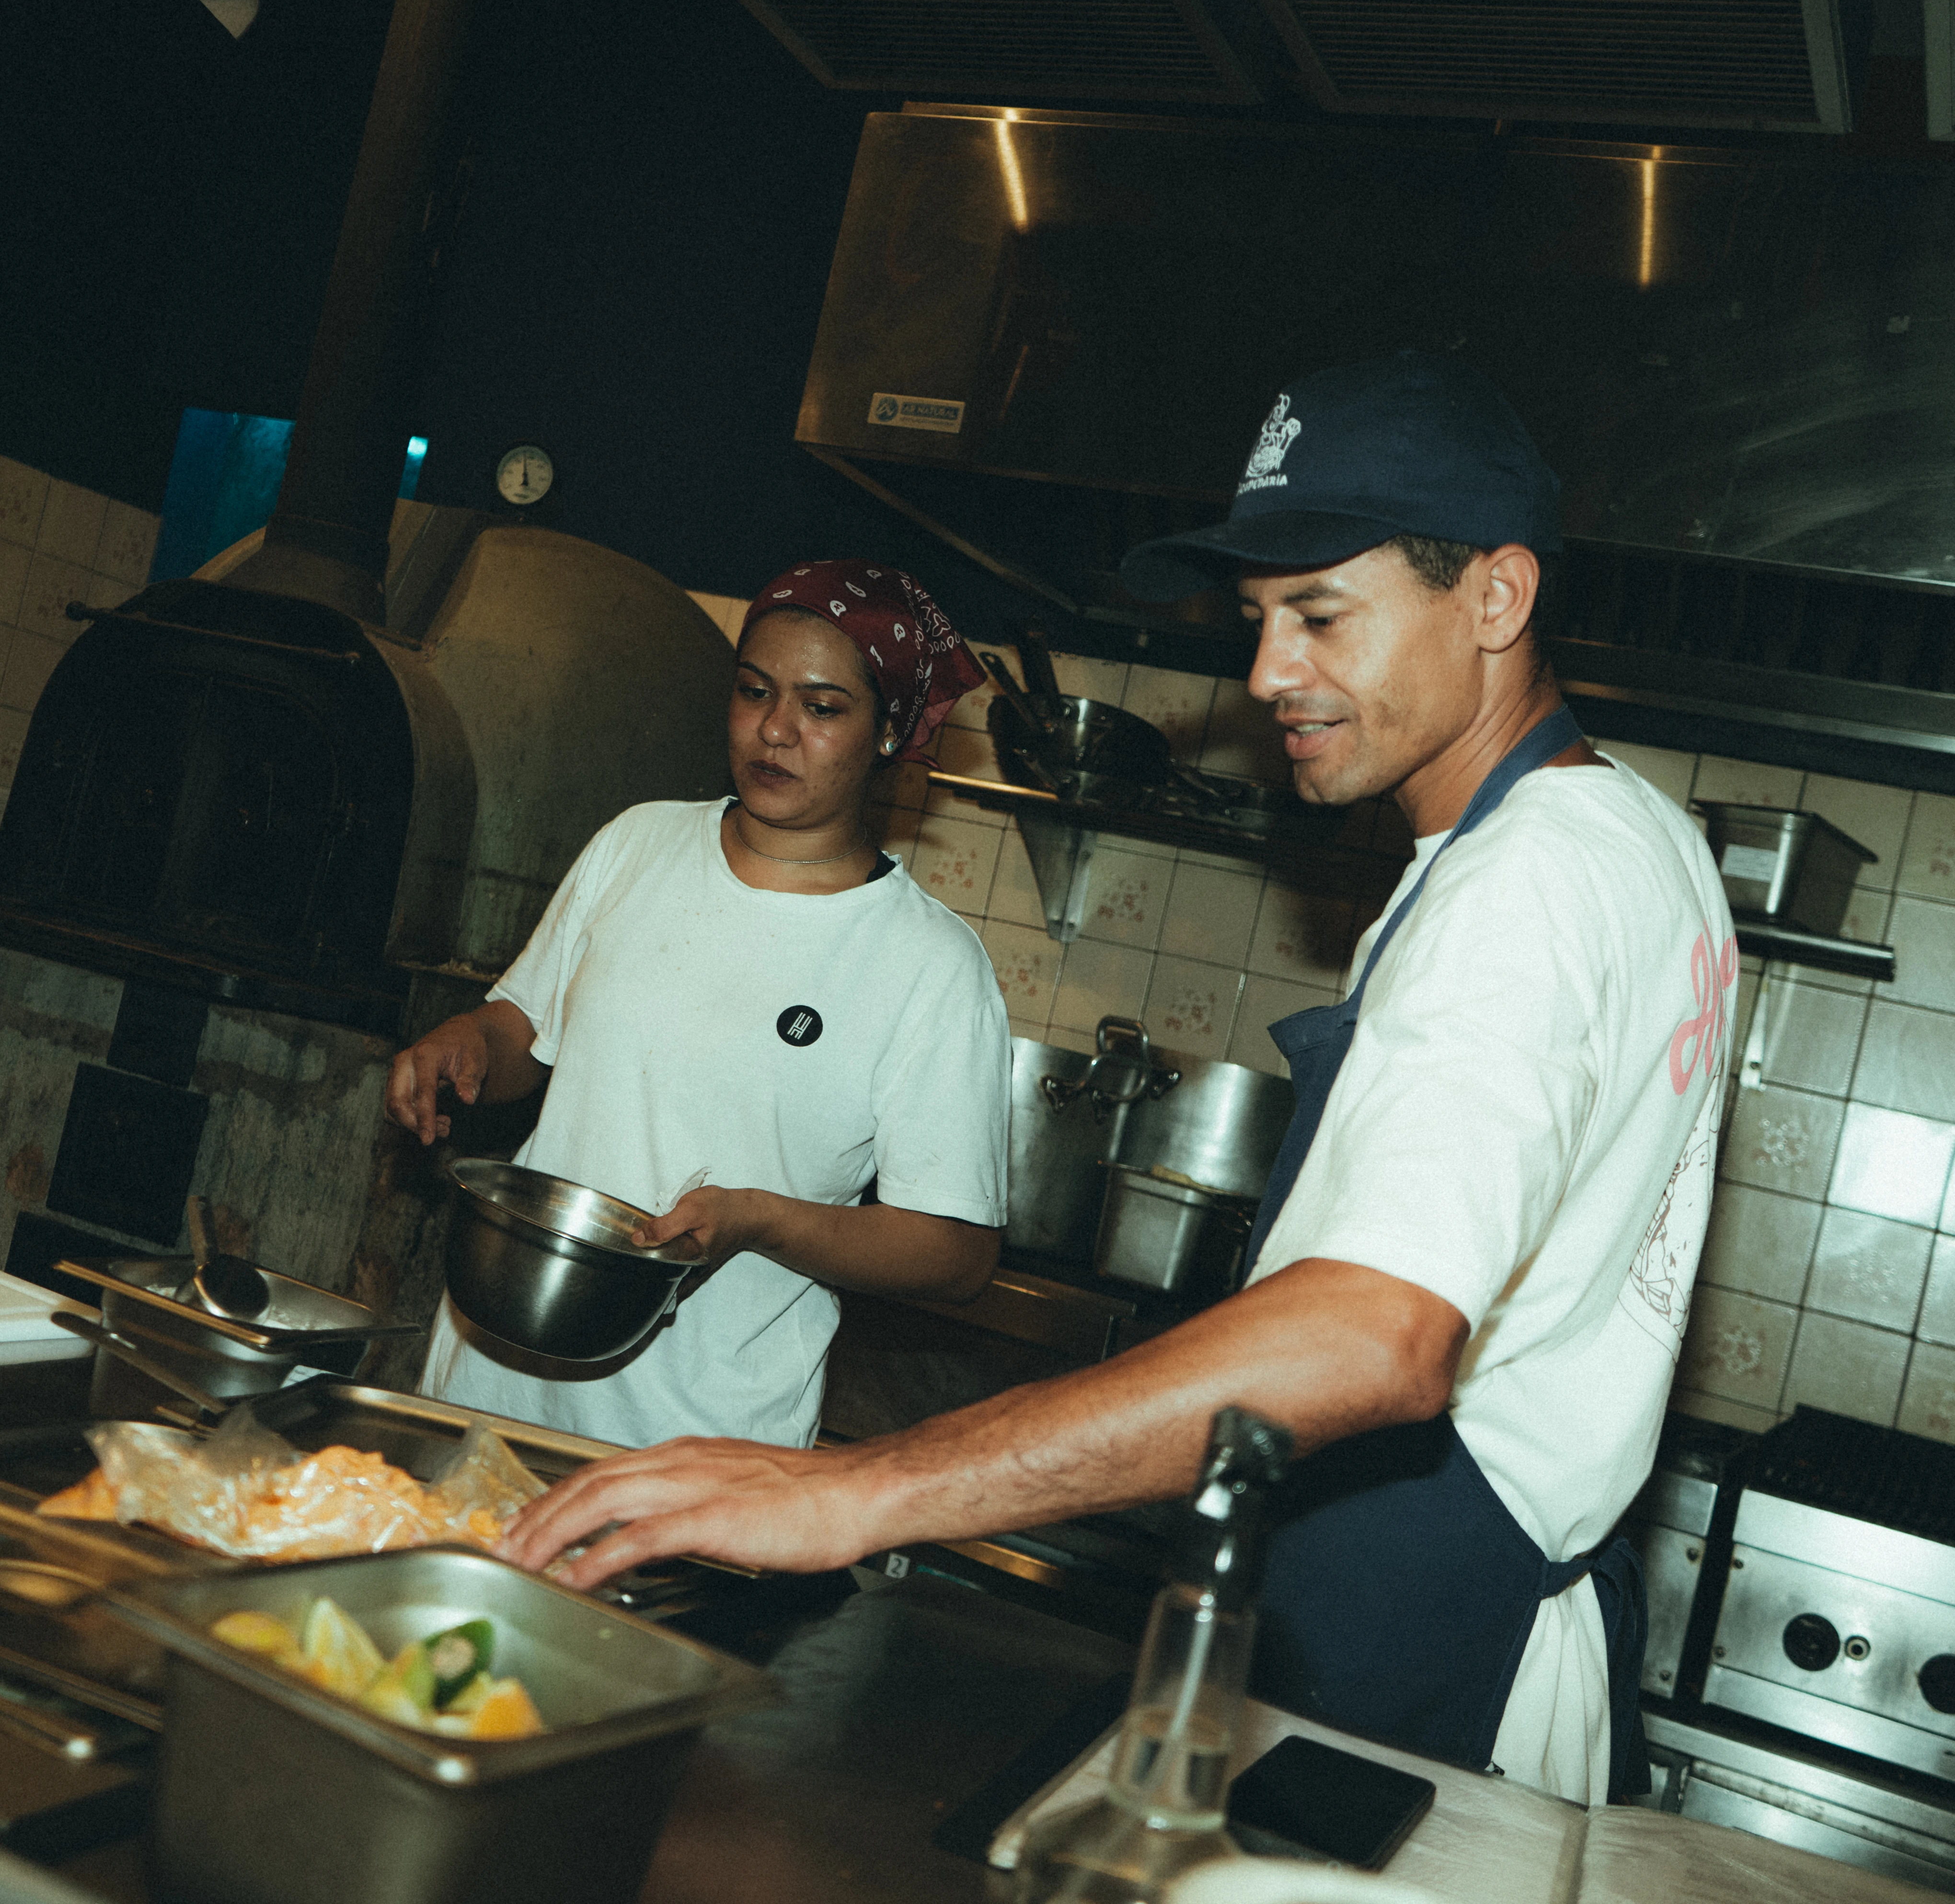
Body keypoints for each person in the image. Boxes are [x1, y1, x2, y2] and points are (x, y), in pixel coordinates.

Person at [495, 356, 1738, 1804]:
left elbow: (1371, 1339)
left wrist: (859, 1487)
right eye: (1260, 621)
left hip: (1433, 1656)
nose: (1271, 673)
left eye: (1323, 615)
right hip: (1436, 1608)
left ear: (1496, 600)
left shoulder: (1520, 887)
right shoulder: (1635, 840)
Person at [384, 560, 1010, 1451]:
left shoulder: (929, 966)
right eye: (755, 691)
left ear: (887, 734)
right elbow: (525, 1031)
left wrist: (763, 1220)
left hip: (694, 1443)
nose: (775, 730)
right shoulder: (638, 842)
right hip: (488, 1380)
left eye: (823, 707)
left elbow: (956, 1255)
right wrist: (471, 1040)